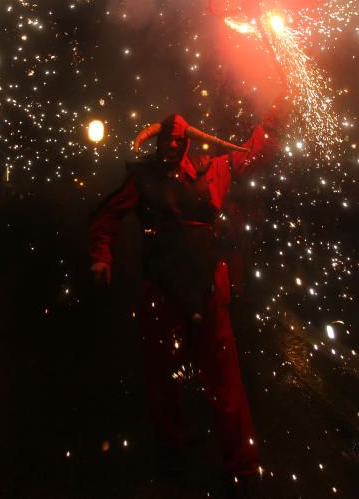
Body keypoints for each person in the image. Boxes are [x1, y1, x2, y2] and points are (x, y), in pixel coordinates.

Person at [89, 97, 287, 484]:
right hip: (160, 291)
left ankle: (243, 468)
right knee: (163, 380)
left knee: (225, 381)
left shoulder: (212, 169)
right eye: (165, 142)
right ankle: (171, 454)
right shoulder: (143, 177)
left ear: (186, 144)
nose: (170, 148)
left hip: (208, 289)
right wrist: (102, 254)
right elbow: (108, 213)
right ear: (159, 143)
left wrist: (274, 118)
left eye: (177, 142)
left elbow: (252, 153)